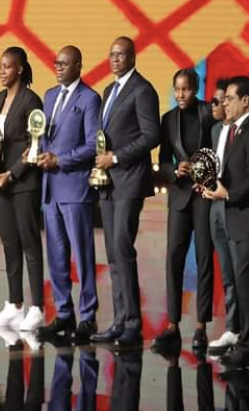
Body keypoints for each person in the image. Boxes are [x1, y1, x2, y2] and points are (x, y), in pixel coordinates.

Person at [90, 36, 160, 347]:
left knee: (122, 247)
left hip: (129, 180)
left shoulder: (142, 90)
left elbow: (151, 135)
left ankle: (132, 323)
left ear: (132, 57)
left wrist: (116, 157)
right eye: (112, 54)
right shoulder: (109, 90)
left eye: (120, 54)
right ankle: (119, 320)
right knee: (113, 252)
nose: (115, 59)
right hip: (108, 181)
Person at [203, 76, 249, 369]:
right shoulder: (237, 131)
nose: (225, 103)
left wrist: (228, 193)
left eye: (230, 98)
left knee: (248, 289)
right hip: (242, 223)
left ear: (245, 101)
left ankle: (246, 346)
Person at [34, 45, 101, 342]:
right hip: (50, 188)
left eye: (64, 63)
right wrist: (36, 152)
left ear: (78, 66)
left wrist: (60, 160)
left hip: (75, 187)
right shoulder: (49, 96)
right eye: (56, 63)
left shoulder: (89, 98)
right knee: (56, 255)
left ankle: (88, 316)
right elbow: (43, 138)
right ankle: (63, 312)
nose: (58, 68)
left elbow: (92, 145)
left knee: (82, 255)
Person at [153, 68, 215, 353]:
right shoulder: (168, 119)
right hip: (179, 195)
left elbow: (218, 153)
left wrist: (203, 174)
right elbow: (164, 160)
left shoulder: (208, 114)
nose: (180, 94)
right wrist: (174, 170)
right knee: (173, 259)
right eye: (177, 89)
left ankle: (201, 327)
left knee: (204, 258)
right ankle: (172, 325)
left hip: (204, 196)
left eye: (186, 89)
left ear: (196, 88)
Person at [0, 47, 45, 332]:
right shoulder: (0, 98)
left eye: (7, 66)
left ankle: (37, 308)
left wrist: (13, 173)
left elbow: (36, 145)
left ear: (20, 69)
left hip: (23, 183)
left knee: (29, 242)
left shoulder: (31, 100)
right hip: (1, 182)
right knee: (9, 242)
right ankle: (14, 304)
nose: (2, 71)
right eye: (0, 66)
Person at [206, 78, 240, 353]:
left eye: (221, 100)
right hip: (214, 207)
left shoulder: (242, 132)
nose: (216, 105)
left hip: (234, 207)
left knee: (241, 273)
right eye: (215, 101)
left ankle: (247, 331)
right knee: (227, 271)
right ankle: (232, 327)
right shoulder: (215, 130)